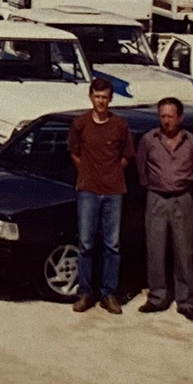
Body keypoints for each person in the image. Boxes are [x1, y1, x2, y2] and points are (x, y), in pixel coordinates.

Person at [67, 77, 135, 314]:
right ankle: (85, 292)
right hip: (87, 191)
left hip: (114, 192)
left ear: (111, 98)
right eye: (97, 97)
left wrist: (113, 172)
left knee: (112, 245)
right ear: (90, 97)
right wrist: (87, 171)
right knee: (85, 243)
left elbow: (126, 156)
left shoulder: (120, 125)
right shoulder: (80, 123)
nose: (101, 101)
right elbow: (74, 152)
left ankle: (109, 294)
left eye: (105, 97)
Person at [136, 96, 193, 320]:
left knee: (184, 250)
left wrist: (182, 187)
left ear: (180, 117)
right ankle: (157, 297)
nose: (166, 121)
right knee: (155, 249)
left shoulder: (191, 142)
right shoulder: (149, 140)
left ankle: (184, 300)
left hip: (182, 199)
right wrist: (153, 186)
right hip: (156, 198)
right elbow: (141, 168)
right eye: (162, 116)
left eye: (170, 116)